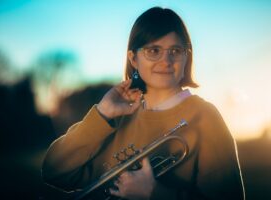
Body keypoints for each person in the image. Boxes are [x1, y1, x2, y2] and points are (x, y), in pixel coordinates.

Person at [42, 7, 245, 200]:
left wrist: (154, 193)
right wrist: (102, 114)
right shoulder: (116, 116)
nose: (166, 60)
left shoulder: (205, 117)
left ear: (186, 57)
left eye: (175, 50)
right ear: (133, 59)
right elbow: (54, 171)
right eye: (153, 50)